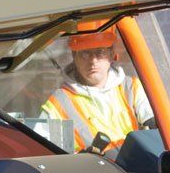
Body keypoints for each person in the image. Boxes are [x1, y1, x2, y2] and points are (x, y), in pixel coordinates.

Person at [39, 22, 153, 154]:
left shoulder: (132, 88)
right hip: (90, 172)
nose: (93, 60)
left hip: (137, 170)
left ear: (111, 54)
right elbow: (43, 153)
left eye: (100, 52)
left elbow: (158, 129)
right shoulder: (59, 103)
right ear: (74, 56)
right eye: (85, 53)